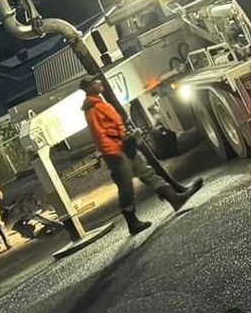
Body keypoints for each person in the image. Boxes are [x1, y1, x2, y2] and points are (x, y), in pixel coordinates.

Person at [82, 75, 201, 235]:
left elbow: (113, 127)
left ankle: (175, 198)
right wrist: (116, 152)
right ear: (89, 88)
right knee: (126, 187)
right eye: (95, 82)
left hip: (124, 147)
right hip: (116, 153)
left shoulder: (98, 104)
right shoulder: (92, 110)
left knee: (147, 173)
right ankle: (132, 222)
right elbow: (100, 136)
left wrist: (127, 137)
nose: (99, 83)